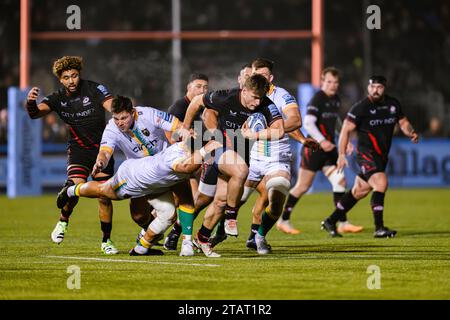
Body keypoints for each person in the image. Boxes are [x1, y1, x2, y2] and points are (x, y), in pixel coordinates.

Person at [56, 137, 223, 256]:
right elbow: (186, 167)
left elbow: (187, 202)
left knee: (167, 214)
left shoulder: (190, 153)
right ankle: (71, 190)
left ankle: (141, 248)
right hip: (132, 178)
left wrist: (186, 243)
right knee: (103, 190)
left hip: (156, 186)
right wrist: (205, 150)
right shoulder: (178, 156)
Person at [180, 74, 285, 257]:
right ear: (244, 91)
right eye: (253, 97)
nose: (257, 101)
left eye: (260, 97)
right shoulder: (226, 96)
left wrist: (255, 136)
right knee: (241, 171)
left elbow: (280, 130)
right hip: (220, 148)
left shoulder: (266, 104)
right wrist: (185, 127)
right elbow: (197, 102)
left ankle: (202, 239)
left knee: (219, 201)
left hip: (241, 154)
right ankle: (231, 216)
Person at [25, 56, 119, 254]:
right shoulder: (57, 98)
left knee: (104, 196)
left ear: (79, 74)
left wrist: (119, 111)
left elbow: (112, 106)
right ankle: (63, 221)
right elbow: (35, 114)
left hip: (103, 149)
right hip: (78, 149)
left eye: (74, 76)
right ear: (60, 79)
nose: (71, 81)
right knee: (75, 185)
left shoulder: (95, 89)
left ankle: (106, 241)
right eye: (66, 77)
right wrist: (31, 103)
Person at [321, 75, 419, 238]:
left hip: (381, 156)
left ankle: (330, 220)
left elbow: (403, 122)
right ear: (368, 88)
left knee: (359, 191)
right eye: (372, 87)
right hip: (366, 154)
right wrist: (341, 154)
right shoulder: (361, 108)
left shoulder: (393, 104)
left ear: (384, 88)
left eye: (379, 87)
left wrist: (411, 132)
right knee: (381, 183)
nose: (375, 90)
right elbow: (345, 129)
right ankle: (379, 228)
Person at [279, 67, 363, 235]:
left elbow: (336, 121)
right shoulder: (318, 99)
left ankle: (342, 222)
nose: (332, 85)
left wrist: (344, 139)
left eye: (335, 82)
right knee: (302, 186)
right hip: (315, 148)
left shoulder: (335, 99)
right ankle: (283, 220)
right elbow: (309, 123)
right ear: (322, 81)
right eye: (329, 82)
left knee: (340, 181)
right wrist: (322, 140)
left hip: (329, 148)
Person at [92, 95, 182, 246]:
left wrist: (183, 142)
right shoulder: (111, 128)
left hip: (165, 165)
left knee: (183, 198)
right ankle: (150, 231)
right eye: (116, 119)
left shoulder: (149, 114)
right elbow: (105, 151)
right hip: (140, 172)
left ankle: (187, 240)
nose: (120, 123)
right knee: (139, 216)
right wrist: (101, 162)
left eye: (124, 118)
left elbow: (178, 126)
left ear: (132, 112)